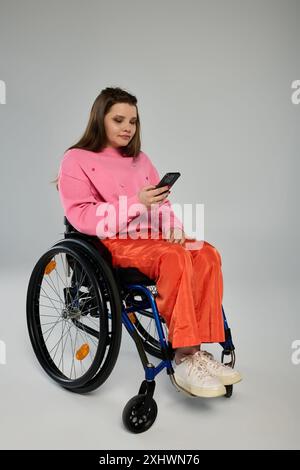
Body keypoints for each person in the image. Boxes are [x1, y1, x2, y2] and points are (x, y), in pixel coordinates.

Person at [55, 86, 242, 398]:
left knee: (207, 253)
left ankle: (200, 352)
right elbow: (81, 217)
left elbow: (162, 204)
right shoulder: (76, 159)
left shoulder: (140, 160)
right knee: (174, 258)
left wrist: (175, 228)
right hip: (113, 241)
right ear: (100, 120)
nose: (128, 127)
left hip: (153, 238)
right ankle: (184, 355)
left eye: (133, 121)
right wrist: (136, 203)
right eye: (119, 120)